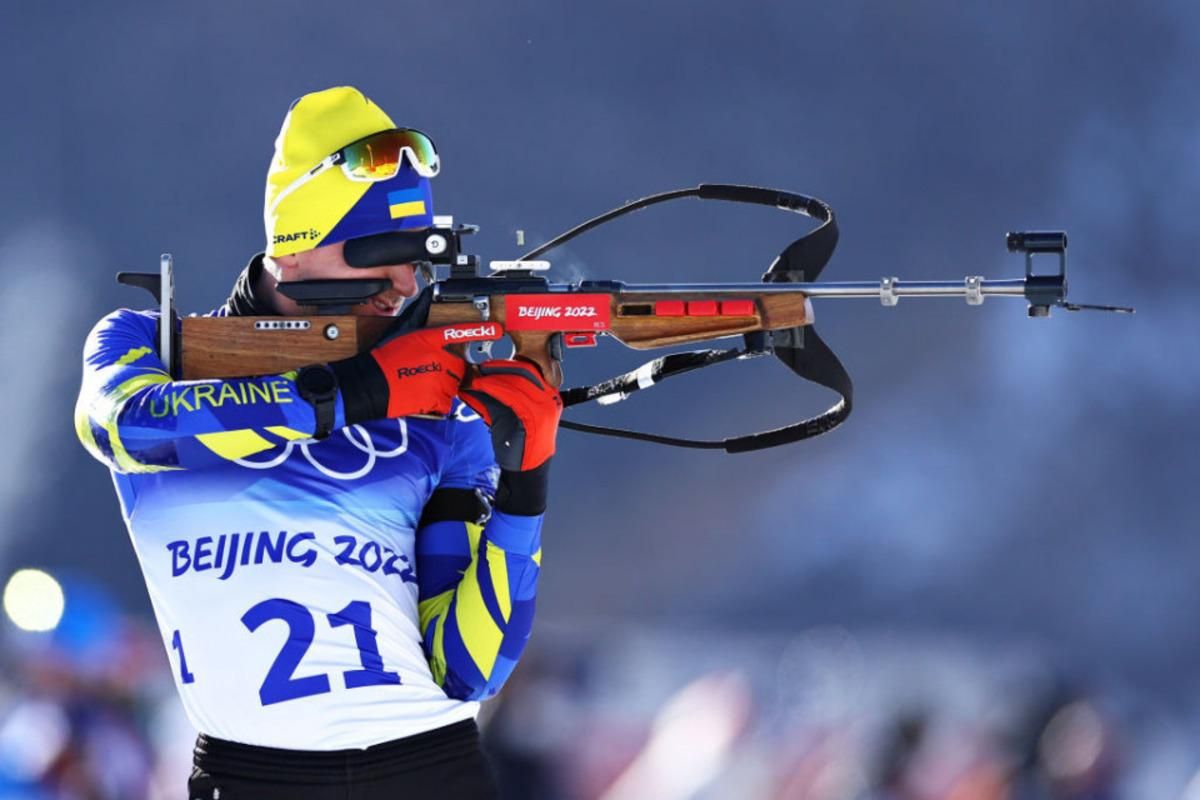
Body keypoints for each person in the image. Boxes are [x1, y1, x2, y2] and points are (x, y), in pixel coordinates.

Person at [74, 86, 561, 799]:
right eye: (381, 255)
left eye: (417, 260)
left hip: (428, 770)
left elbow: (468, 668)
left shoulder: (435, 398)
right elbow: (124, 425)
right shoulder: (152, 346)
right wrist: (351, 394)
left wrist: (527, 481)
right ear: (295, 251)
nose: (403, 286)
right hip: (250, 777)